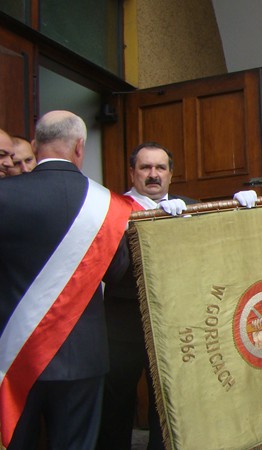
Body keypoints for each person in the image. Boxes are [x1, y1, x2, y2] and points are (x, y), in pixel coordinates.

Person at [0, 111, 131, 449]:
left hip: (14, 355)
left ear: (34, 145)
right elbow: (116, 273)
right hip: (83, 357)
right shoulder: (107, 205)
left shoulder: (4, 194)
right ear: (79, 147)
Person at [97, 142, 199, 450]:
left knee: (167, 404)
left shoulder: (192, 207)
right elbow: (109, 270)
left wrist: (240, 208)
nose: (153, 174)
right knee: (116, 404)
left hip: (172, 323)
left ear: (170, 174)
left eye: (160, 168)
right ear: (132, 173)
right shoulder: (112, 209)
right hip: (124, 324)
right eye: (145, 167)